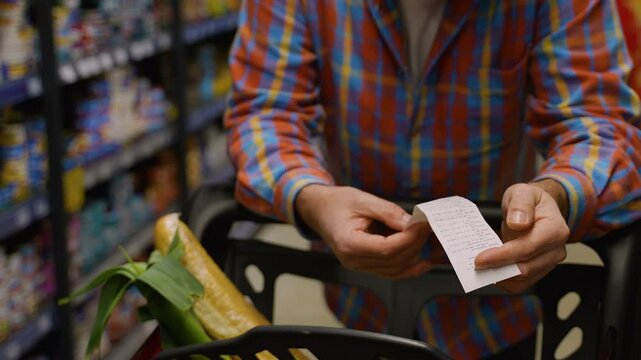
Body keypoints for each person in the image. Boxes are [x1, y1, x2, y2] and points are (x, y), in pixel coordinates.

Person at [224, 0, 641, 358]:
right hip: (358, 300)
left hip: (497, 307)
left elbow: (599, 124)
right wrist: (311, 199)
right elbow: (266, 114)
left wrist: (557, 194)